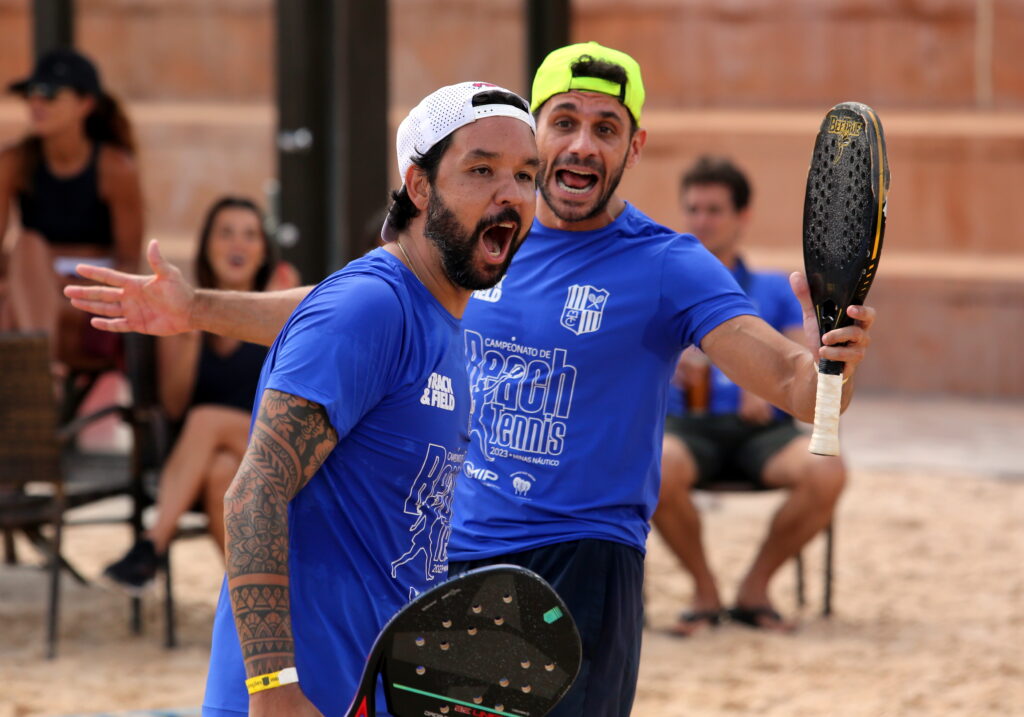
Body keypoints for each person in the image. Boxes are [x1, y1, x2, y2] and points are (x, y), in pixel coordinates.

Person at [65, 44, 876, 717]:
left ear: (634, 147)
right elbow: (339, 319)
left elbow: (801, 387)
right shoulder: (442, 272)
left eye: (606, 128)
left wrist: (828, 352)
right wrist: (198, 306)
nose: (580, 147)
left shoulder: (639, 266)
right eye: (562, 123)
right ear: (428, 183)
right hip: (442, 575)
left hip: (574, 570)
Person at [653, 156, 847, 636]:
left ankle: (755, 589)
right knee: (651, 465)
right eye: (693, 209)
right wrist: (664, 364)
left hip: (762, 431)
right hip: (687, 428)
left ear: (743, 216)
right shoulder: (662, 287)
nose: (702, 220)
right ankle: (704, 590)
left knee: (827, 469)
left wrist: (766, 391)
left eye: (714, 210)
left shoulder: (772, 288)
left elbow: (801, 366)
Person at [102, 197, 297, 594]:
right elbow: (172, 405)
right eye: (225, 233)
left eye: (249, 234)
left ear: (264, 249)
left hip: (276, 445)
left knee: (207, 419)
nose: (237, 244)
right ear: (207, 245)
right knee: (219, 475)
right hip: (215, 460)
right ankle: (267, 598)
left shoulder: (282, 302)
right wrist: (190, 325)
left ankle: (153, 543)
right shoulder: (182, 309)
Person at [0, 48, 143, 368]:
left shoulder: (115, 168)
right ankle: (46, 375)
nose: (37, 104)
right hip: (32, 284)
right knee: (27, 247)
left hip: (89, 294)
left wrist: (65, 286)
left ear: (85, 104)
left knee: (14, 305)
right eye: (30, 94)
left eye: (49, 94)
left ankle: (40, 375)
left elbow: (129, 263)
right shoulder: (14, 162)